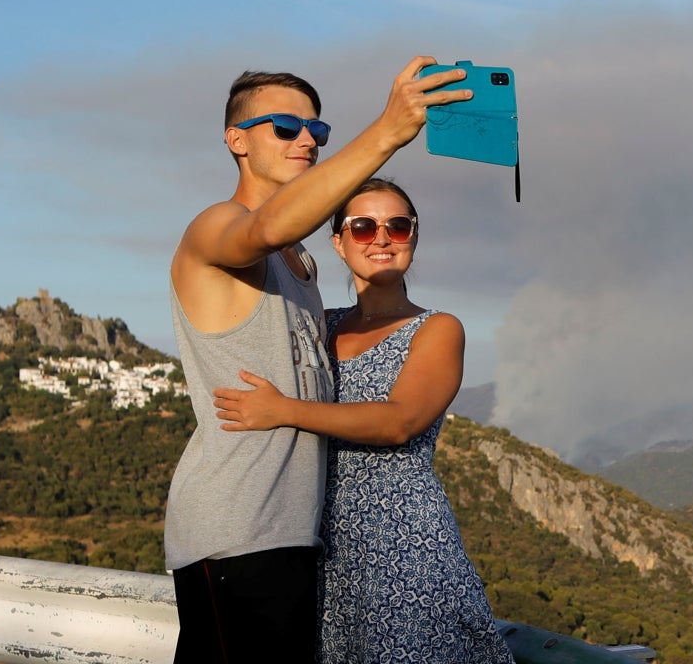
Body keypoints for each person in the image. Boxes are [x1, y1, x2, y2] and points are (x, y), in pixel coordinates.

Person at [166, 61, 471, 664]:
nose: (306, 139)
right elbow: (267, 224)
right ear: (237, 140)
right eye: (283, 127)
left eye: (317, 130)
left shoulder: (297, 265)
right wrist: (387, 131)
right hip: (236, 531)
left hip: (294, 537)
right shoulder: (217, 227)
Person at [210, 177, 514, 663]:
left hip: (404, 545)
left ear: (413, 238)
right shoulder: (320, 325)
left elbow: (399, 422)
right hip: (323, 549)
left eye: (397, 226)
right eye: (363, 227)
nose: (381, 238)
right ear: (338, 242)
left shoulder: (437, 329)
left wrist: (283, 411)